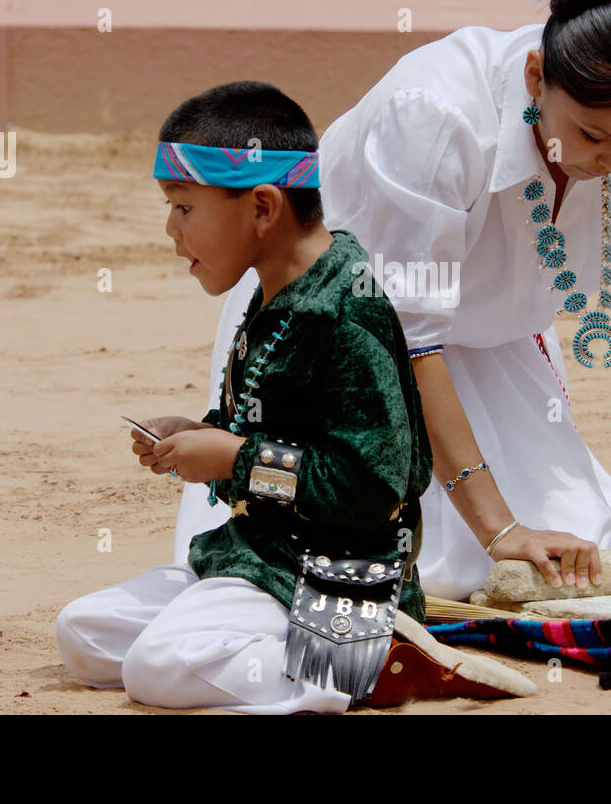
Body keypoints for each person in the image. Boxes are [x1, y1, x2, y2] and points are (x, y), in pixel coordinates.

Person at [176, 0, 611, 603]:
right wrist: (499, 528)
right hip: (340, 345)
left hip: (492, 339)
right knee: (378, 573)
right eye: (593, 135)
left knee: (583, 557)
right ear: (535, 77)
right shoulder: (434, 115)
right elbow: (410, 335)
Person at [55, 81, 534, 713]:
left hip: (330, 574)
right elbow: (264, 425)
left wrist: (235, 460)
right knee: (82, 633)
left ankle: (359, 661)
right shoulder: (273, 292)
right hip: (256, 557)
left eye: (184, 207)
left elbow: (373, 487)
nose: (170, 229)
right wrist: (196, 435)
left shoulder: (347, 313)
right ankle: (319, 648)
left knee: (156, 668)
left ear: (261, 208)